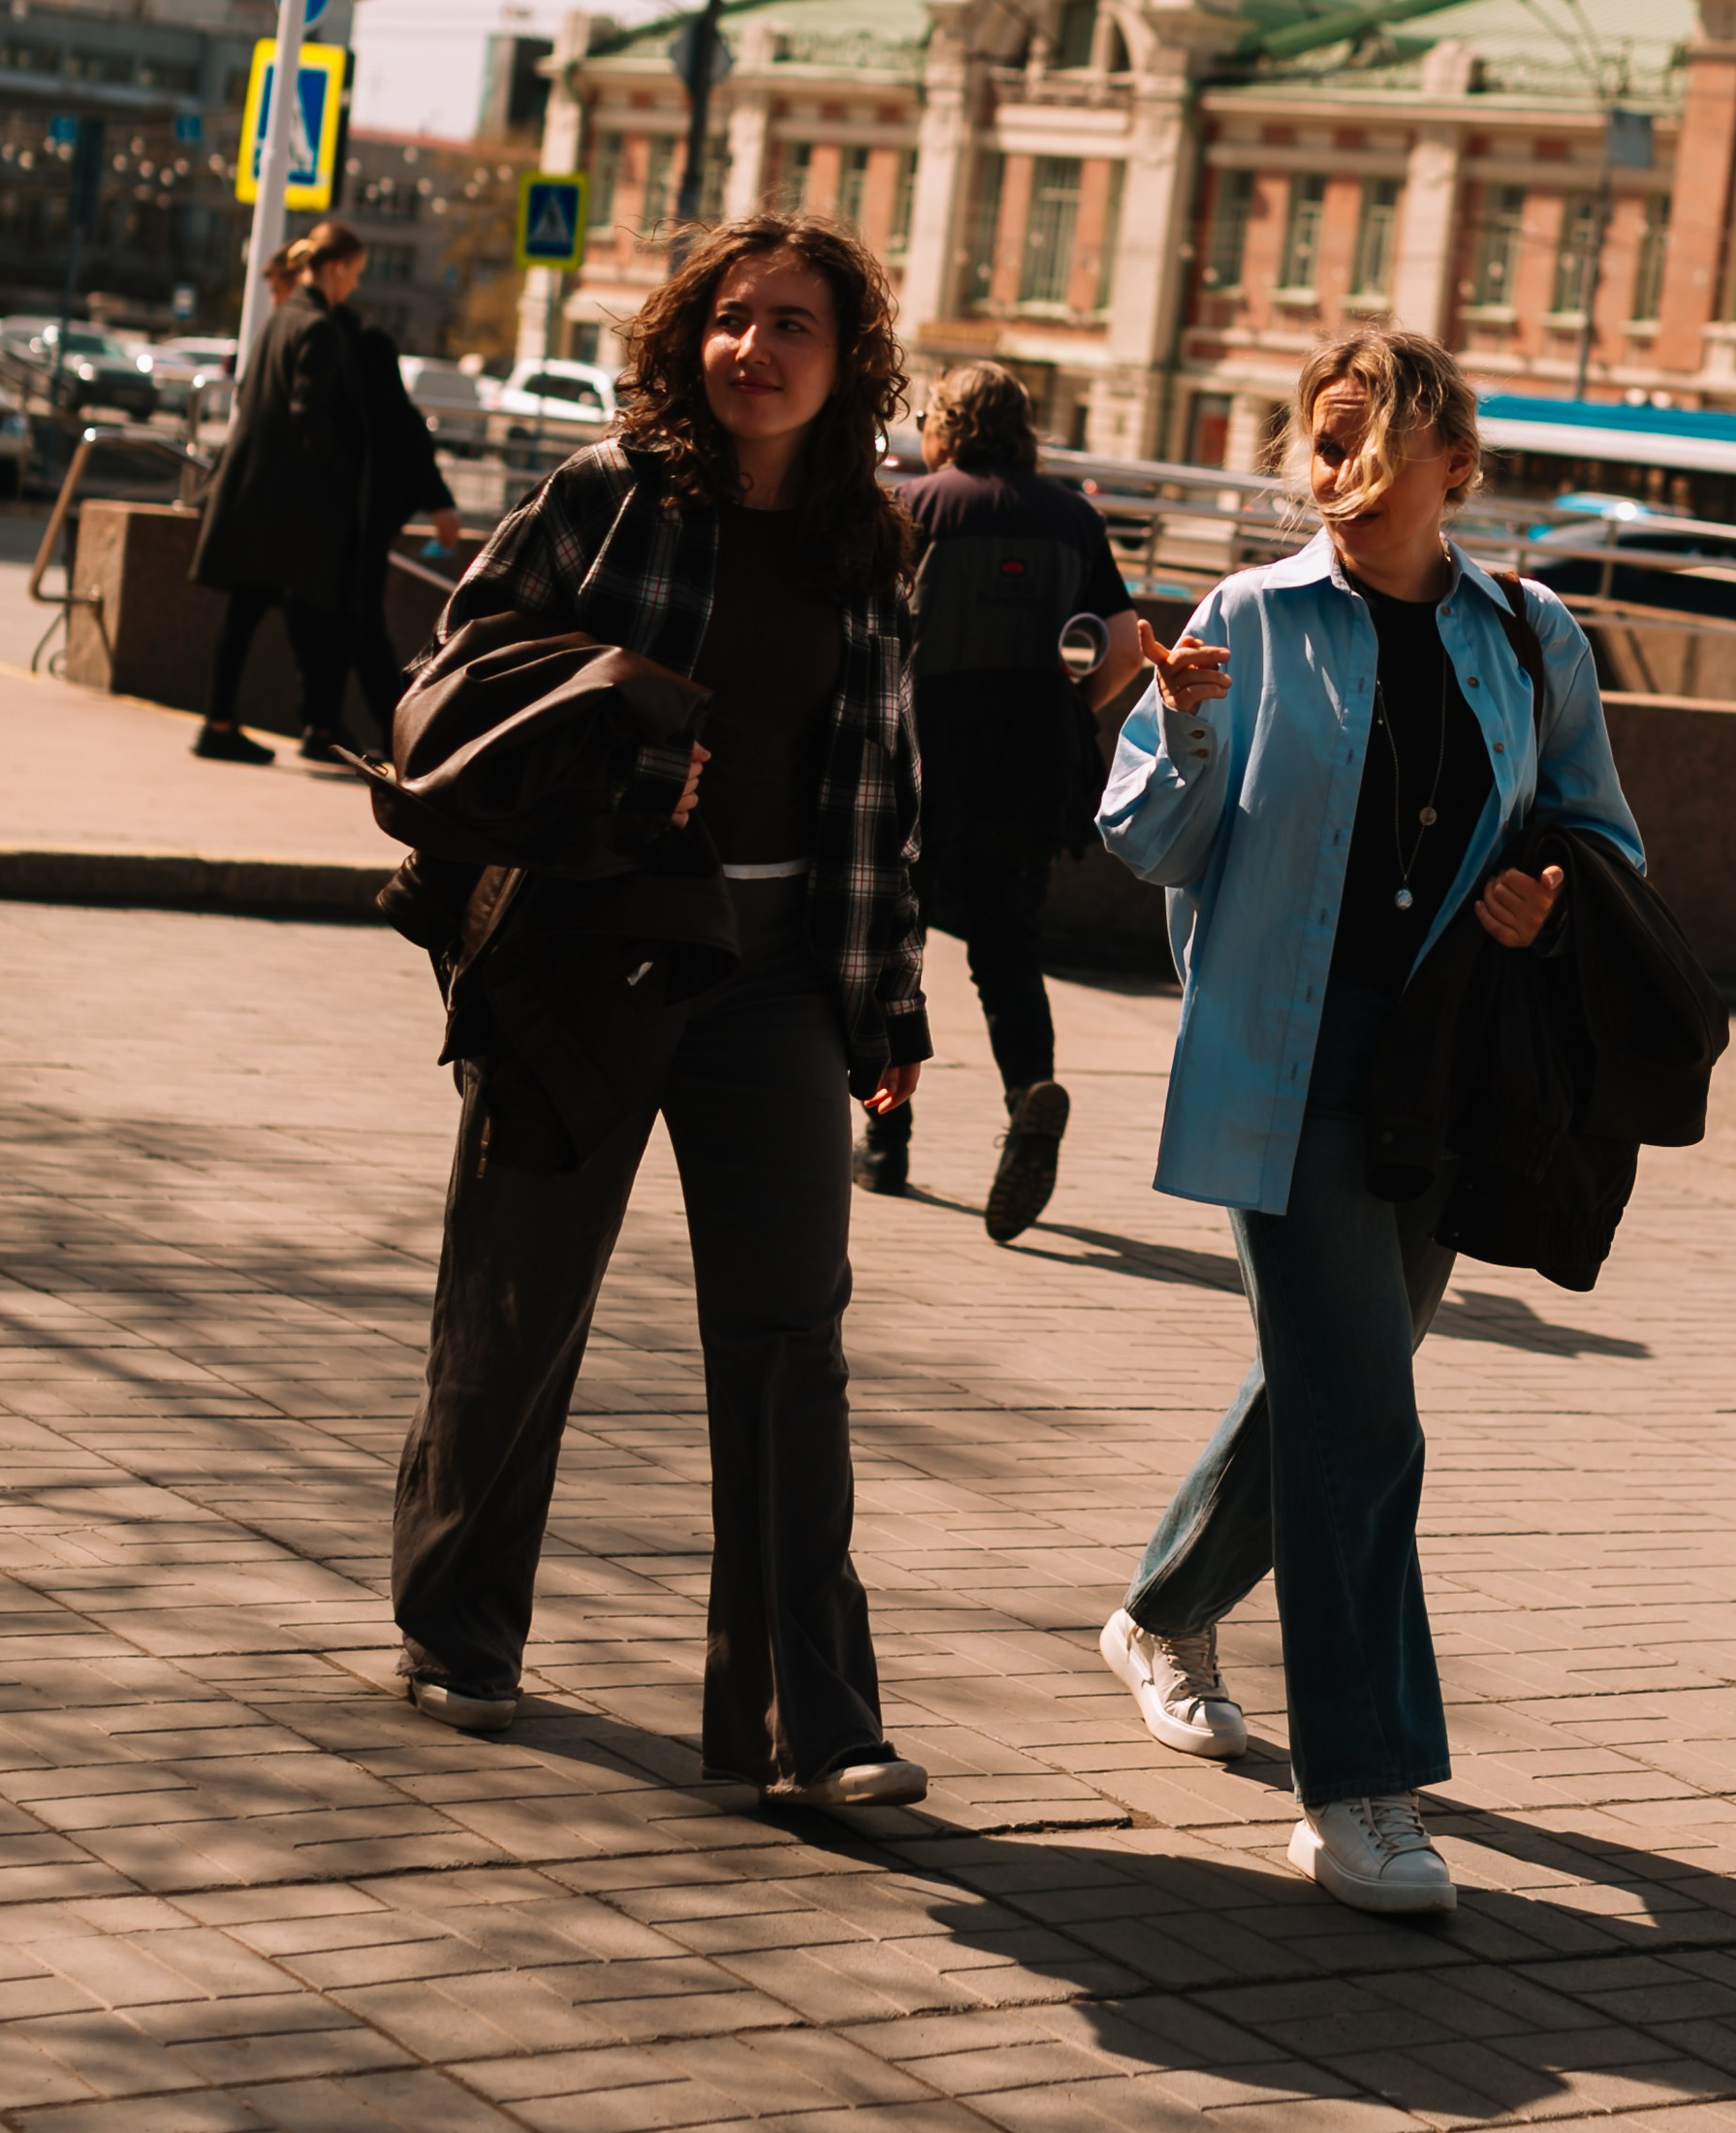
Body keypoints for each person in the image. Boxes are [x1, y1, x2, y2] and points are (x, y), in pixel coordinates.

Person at [1093, 330, 1643, 1916]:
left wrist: (1553, 897)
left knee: (1338, 1387)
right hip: (1291, 1066)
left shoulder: (1532, 641)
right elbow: (1149, 838)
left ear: (1454, 467)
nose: (1334, 460)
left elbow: (1607, 834)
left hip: (1447, 1077)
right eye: (1318, 436)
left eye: (1373, 435)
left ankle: (1163, 1609)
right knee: (1370, 1425)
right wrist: (1179, 721)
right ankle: (1362, 1788)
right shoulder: (1247, 622)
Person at [388, 209, 932, 1809]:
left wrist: (884, 1017)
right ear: (690, 336)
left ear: (849, 366)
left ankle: (808, 1721)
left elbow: (885, 802)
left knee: (789, 1341)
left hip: (772, 982)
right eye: (733, 318)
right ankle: (459, 1626)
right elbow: (460, 664)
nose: (756, 349)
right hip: (592, 946)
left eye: (795, 327)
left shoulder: (869, 543)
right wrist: (618, 725)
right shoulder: (604, 500)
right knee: (518, 1296)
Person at [887, 361, 1141, 1238]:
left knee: (897, 940)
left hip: (922, 760)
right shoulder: (1073, 516)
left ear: (946, 423)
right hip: (1032, 764)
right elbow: (1124, 645)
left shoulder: (915, 507)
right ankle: (1028, 1087)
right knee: (1006, 949)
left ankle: (886, 1141)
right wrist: (1072, 709)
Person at [188, 224, 366, 764]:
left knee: (272, 608)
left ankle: (305, 724)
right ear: (335, 268)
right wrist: (343, 475)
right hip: (285, 503)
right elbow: (307, 415)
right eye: (355, 274)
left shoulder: (280, 319)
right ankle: (291, 725)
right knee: (292, 606)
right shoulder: (318, 328)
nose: (354, 287)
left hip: (256, 492)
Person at [317, 264, 461, 760]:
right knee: (348, 622)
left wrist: (440, 501)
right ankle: (329, 724)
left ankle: (386, 730)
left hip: (359, 517)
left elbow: (400, 426)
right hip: (358, 516)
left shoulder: (355, 347)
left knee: (356, 622)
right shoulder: (354, 344)